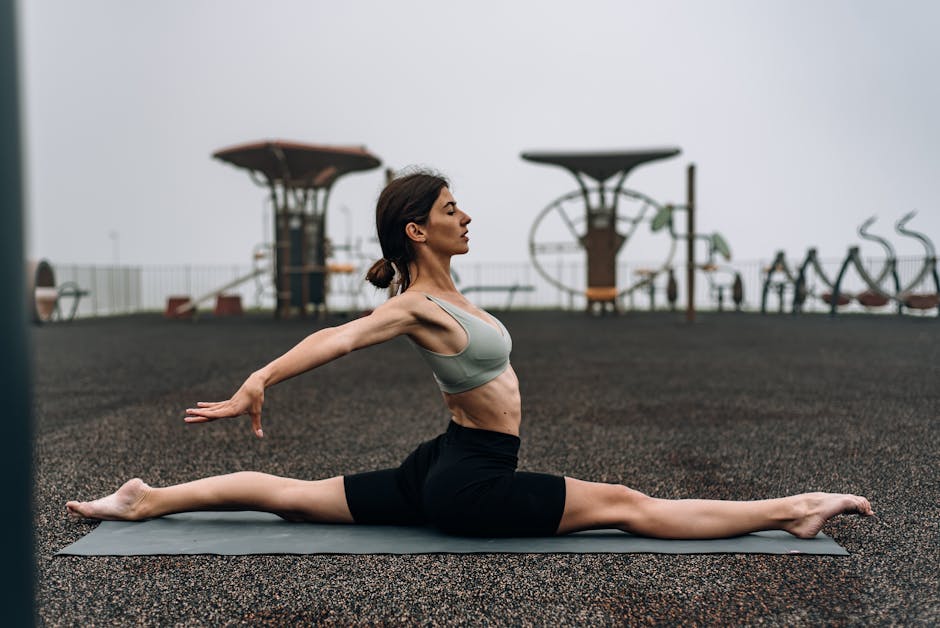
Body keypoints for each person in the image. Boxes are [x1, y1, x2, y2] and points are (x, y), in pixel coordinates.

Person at [67, 170, 874, 539]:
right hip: (471, 481)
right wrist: (260, 377)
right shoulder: (415, 305)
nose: (468, 216)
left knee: (293, 496)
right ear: (418, 230)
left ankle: (147, 500)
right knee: (630, 506)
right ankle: (792, 508)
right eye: (453, 209)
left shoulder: (446, 297)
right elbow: (339, 338)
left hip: (441, 462)